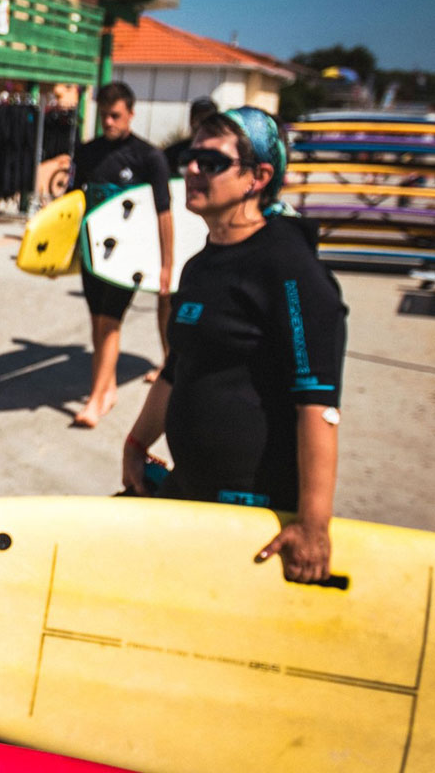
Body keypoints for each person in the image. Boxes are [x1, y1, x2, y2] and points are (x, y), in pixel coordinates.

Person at [121, 107, 347, 583]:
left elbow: (318, 401)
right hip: (191, 491)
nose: (192, 169)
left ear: (257, 177)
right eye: (190, 156)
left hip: (253, 511)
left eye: (212, 161)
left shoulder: (288, 265)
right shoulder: (202, 264)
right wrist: (137, 442)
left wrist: (313, 525)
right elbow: (177, 367)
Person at [70, 82, 172, 427]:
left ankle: (96, 400)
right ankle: (108, 385)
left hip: (129, 256)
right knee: (97, 321)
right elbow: (73, 205)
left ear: (131, 113)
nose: (109, 123)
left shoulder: (149, 157)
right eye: (104, 116)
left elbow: (164, 213)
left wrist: (166, 266)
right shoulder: (87, 153)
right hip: (93, 251)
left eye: (115, 116)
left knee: (111, 322)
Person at [162, 96, 219, 173]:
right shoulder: (173, 153)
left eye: (209, 119)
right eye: (200, 119)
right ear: (191, 121)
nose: (204, 125)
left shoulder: (223, 154)